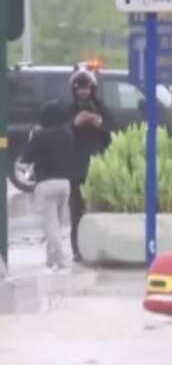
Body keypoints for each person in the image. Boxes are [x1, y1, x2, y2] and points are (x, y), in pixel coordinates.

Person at [64, 67, 115, 262]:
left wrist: (100, 123)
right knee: (76, 211)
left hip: (99, 167)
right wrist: (74, 124)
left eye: (87, 87)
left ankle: (99, 247)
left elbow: (115, 132)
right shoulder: (68, 110)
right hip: (76, 169)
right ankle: (77, 250)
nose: (83, 92)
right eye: (79, 88)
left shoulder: (102, 108)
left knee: (99, 209)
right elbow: (60, 136)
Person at [22, 102, 75, 273]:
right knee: (57, 224)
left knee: (51, 226)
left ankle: (61, 262)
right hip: (65, 183)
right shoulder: (68, 134)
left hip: (45, 184)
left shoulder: (39, 135)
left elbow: (26, 158)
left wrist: (32, 139)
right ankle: (50, 262)